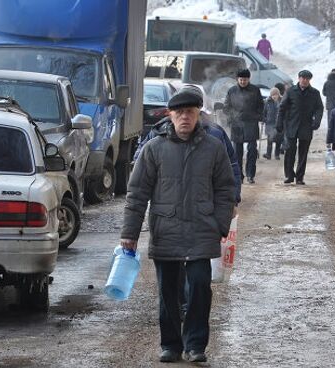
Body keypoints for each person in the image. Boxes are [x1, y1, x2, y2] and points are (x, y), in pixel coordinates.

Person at [120, 88, 236, 364]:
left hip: (201, 231)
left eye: (191, 112)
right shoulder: (154, 149)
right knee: (168, 292)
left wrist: (219, 224)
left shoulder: (213, 148)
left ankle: (195, 344)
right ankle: (171, 344)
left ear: (199, 115)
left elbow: (225, 189)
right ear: (170, 115)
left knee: (199, 287)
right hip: (166, 229)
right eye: (180, 112)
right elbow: (136, 194)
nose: (185, 117)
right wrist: (129, 233)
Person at [276, 69, 324, 185]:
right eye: (303, 78)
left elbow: (319, 108)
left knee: (303, 153)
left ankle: (300, 177)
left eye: (307, 79)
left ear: (309, 80)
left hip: (306, 126)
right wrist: (279, 123)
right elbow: (282, 108)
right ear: (299, 78)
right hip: (291, 125)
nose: (304, 80)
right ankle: (289, 175)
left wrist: (316, 121)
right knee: (289, 152)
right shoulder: (291, 91)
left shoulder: (315, 93)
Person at [223, 69, 264, 184]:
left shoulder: (255, 90)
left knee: (252, 150)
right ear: (237, 79)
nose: (242, 81)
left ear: (248, 79)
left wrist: (258, 116)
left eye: (245, 79)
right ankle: (238, 175)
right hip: (237, 124)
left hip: (251, 123)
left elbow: (261, 105)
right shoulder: (232, 91)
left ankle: (250, 175)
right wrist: (232, 117)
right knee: (237, 152)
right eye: (241, 79)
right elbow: (226, 107)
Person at [262, 87, 283, 160]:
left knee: (278, 141)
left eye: (276, 94)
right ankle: (268, 154)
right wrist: (264, 119)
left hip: (279, 124)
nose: (274, 96)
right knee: (269, 141)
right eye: (273, 95)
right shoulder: (267, 102)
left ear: (278, 95)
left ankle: (277, 155)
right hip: (269, 124)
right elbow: (264, 112)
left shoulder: (282, 102)